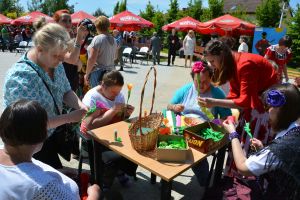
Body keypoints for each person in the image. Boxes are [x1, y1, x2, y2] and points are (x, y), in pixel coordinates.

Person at [3, 23, 88, 169]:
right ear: (39, 49)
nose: (61, 60)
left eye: (63, 56)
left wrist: (80, 105)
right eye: (57, 56)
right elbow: (31, 124)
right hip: (28, 144)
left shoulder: (55, 63)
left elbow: (66, 90)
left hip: (50, 133)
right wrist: (69, 118)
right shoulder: (21, 77)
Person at [199, 40, 278, 175]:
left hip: (264, 108)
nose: (212, 66)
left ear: (222, 55)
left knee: (250, 142)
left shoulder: (245, 64)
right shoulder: (231, 63)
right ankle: (236, 176)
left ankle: (245, 178)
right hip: (254, 106)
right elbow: (237, 96)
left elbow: (244, 101)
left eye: (212, 61)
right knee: (240, 139)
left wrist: (214, 102)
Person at [0, 99, 100, 200]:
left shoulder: (7, 152)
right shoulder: (42, 186)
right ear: (42, 134)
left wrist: (55, 172)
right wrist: (94, 194)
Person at [221, 84, 300, 199]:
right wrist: (263, 150)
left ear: (279, 110)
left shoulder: (280, 148)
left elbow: (243, 168)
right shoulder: (295, 130)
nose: (267, 114)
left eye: (268, 108)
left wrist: (233, 134)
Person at [167, 61, 232, 188]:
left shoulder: (217, 94)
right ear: (193, 79)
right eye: (198, 82)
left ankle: (205, 182)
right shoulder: (186, 89)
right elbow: (169, 107)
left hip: (203, 133)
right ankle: (167, 178)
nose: (201, 86)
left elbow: (226, 118)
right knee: (170, 146)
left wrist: (215, 123)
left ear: (211, 78)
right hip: (182, 128)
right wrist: (175, 107)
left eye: (205, 82)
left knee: (195, 153)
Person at [81, 70, 137, 190]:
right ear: (103, 85)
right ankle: (105, 182)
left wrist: (126, 114)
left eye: (118, 92)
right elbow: (89, 126)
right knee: (114, 157)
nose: (116, 95)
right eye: (113, 92)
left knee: (135, 145)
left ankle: (120, 171)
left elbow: (121, 120)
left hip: (112, 133)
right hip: (93, 138)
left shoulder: (119, 95)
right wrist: (112, 111)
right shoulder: (92, 97)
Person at [53, 9, 88, 92]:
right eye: (64, 21)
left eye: (69, 21)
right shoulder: (56, 39)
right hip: (61, 85)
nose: (68, 23)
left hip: (70, 82)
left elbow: (77, 63)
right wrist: (79, 37)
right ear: (57, 23)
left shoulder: (67, 39)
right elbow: (72, 59)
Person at [85, 16, 117, 88]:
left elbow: (91, 59)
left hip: (99, 74)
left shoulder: (98, 38)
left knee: (98, 97)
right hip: (111, 73)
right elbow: (115, 57)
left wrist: (87, 74)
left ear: (97, 26)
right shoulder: (114, 40)